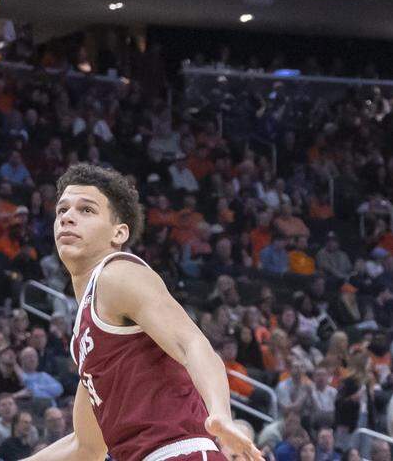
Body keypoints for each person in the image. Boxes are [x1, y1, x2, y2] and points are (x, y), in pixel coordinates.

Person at [21, 163, 261, 461]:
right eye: (62, 210)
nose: (68, 218)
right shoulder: (85, 330)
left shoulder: (118, 274)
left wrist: (220, 414)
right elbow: (87, 447)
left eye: (86, 210)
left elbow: (193, 344)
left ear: (118, 232)